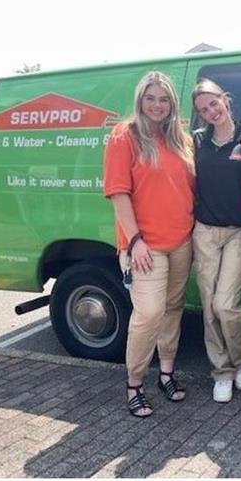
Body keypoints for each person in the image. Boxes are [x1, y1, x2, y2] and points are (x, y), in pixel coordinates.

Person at [103, 71, 195, 418]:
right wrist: (135, 240)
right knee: (149, 313)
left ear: (172, 103)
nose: (157, 105)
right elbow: (118, 192)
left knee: (172, 309)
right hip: (146, 246)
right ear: (140, 100)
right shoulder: (124, 136)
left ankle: (167, 373)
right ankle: (135, 384)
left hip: (181, 241)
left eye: (164, 99)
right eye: (151, 98)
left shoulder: (178, 139)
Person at [191, 79, 241, 403]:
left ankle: (240, 359)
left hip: (238, 231)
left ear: (226, 100)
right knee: (208, 306)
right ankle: (222, 371)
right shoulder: (196, 142)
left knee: (225, 304)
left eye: (214, 103)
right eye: (203, 109)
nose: (211, 112)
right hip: (205, 230)